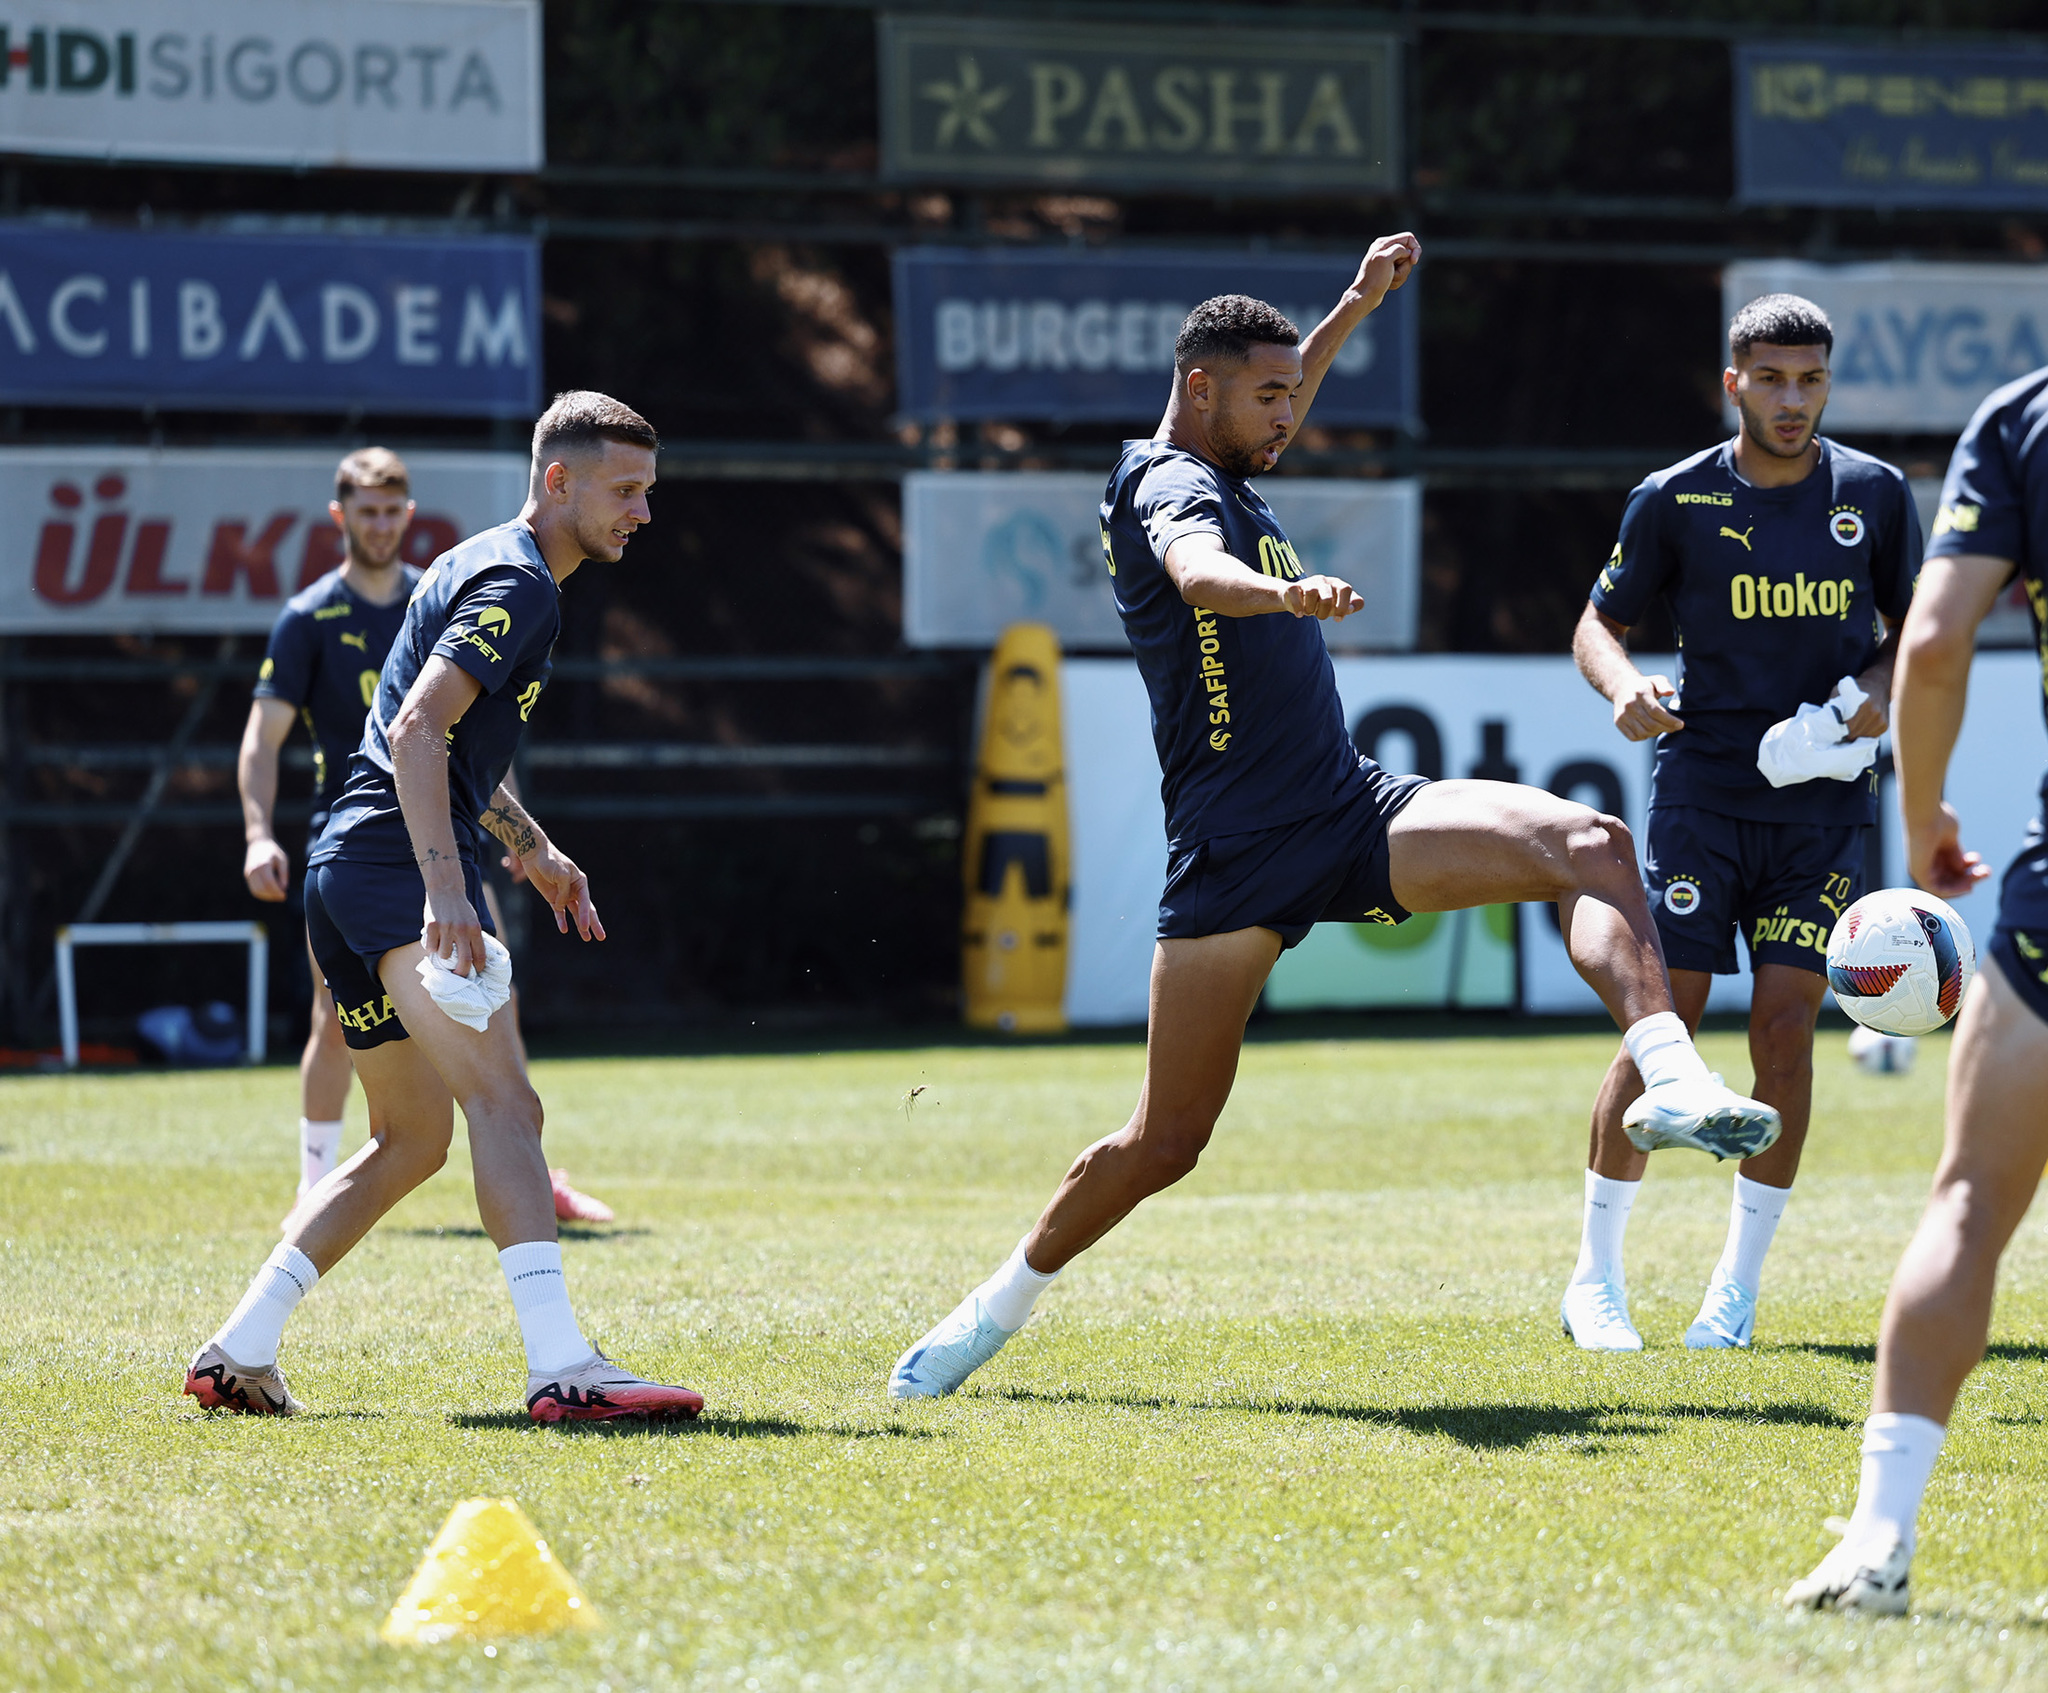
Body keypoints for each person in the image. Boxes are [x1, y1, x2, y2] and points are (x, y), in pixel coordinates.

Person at [888, 236, 1783, 1401]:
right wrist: (1285, 592)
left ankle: (1668, 1078)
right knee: (1164, 1142)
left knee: (1589, 844)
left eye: (1285, 395)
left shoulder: (1228, 449)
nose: (1287, 417)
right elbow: (1199, 572)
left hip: (1351, 808)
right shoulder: (1166, 485)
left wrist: (1355, 304)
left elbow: (1281, 390)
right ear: (1199, 388)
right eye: (1265, 397)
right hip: (1236, 853)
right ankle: (988, 1310)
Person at [186, 391, 698, 1423]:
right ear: (558, 481)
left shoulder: (470, 563)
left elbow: (437, 745)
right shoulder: (518, 582)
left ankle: (238, 1348)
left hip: (347, 870)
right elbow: (419, 735)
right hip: (387, 873)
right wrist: (448, 892)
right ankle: (562, 1367)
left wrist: (534, 848)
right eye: (625, 490)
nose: (642, 512)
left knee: (409, 1140)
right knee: (507, 1106)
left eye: (647, 491)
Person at [1561, 294, 1918, 1352]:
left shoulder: (1875, 495)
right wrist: (1620, 685)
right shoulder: (1670, 500)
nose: (1791, 399)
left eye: (1808, 379)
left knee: (1784, 1036)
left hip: (1821, 813)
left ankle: (1734, 1291)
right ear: (1734, 383)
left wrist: (1872, 691)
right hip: (1702, 796)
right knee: (1665, 1016)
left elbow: (1912, 634)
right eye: (1770, 379)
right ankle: (1593, 1280)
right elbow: (1596, 622)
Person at [1786, 361, 2048, 1613]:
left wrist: (1922, 825)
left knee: (1967, 1200)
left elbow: (1933, 641)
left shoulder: (2022, 420)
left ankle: (1876, 1544)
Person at [238, 448, 614, 1229]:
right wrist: (254, 832)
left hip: (444, 838)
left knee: (493, 1023)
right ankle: (313, 1187)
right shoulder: (311, 618)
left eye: (393, 508)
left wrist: (530, 844)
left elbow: (453, 753)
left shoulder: (443, 587)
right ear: (341, 518)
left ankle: (524, 1174)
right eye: (366, 510)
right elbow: (288, 739)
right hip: (367, 845)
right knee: (337, 1030)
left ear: (409, 513)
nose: (382, 523)